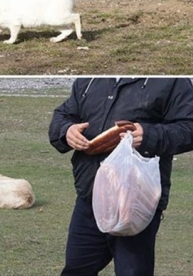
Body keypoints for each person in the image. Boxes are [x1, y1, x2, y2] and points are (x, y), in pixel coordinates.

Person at [48, 78, 193, 276]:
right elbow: (63, 115)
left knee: (132, 272)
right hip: (90, 196)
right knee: (76, 270)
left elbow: (189, 127)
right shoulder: (89, 79)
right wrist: (66, 131)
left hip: (137, 201)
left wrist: (149, 135)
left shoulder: (171, 81)